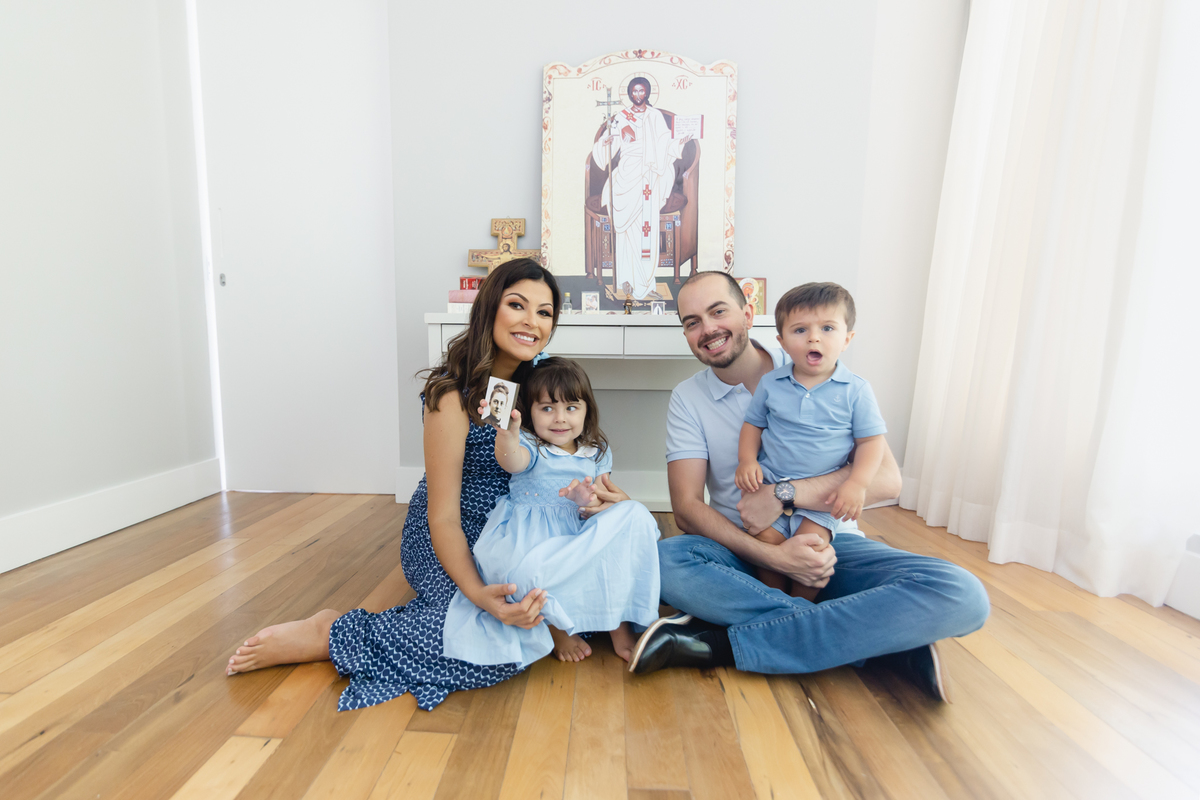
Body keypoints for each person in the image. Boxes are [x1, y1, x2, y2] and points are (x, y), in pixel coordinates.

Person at [620, 270, 990, 701]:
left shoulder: (819, 362)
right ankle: (880, 642)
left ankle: (720, 644)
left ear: (747, 314)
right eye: (692, 322)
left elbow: (887, 479)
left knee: (963, 594)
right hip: (744, 552)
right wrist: (776, 557)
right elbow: (685, 509)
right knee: (664, 560)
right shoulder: (688, 398)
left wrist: (784, 495)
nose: (708, 329)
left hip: (829, 547)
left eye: (718, 312)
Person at [226, 258, 563, 711]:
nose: (531, 321)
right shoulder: (452, 395)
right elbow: (442, 517)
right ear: (490, 309)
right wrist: (478, 594)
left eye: (544, 312)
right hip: (451, 529)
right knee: (484, 642)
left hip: (513, 532)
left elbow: (572, 459)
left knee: (544, 612)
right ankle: (332, 634)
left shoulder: (545, 387)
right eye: (517, 305)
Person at [443, 357, 660, 666]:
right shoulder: (532, 446)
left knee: (635, 513)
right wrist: (507, 433)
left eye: (571, 408)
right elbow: (511, 461)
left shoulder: (596, 452)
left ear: (587, 411)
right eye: (547, 408)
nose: (560, 419)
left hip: (578, 534)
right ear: (530, 412)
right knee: (527, 576)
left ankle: (618, 623)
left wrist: (587, 499)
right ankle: (556, 628)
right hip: (533, 538)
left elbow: (605, 501)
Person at [734, 282, 886, 601]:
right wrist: (747, 460)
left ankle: (802, 607)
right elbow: (753, 425)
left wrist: (857, 483)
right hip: (769, 485)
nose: (814, 338)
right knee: (766, 544)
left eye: (827, 328)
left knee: (812, 552)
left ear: (847, 339)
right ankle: (775, 604)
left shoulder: (856, 390)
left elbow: (872, 443)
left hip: (820, 501)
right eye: (800, 330)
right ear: (782, 342)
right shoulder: (771, 383)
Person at [592, 77, 693, 302]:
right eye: (634, 91)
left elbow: (665, 144)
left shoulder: (655, 116)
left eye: (641, 91)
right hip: (626, 175)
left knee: (647, 232)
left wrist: (680, 141)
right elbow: (610, 142)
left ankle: (646, 286)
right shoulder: (621, 117)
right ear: (630, 93)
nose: (638, 95)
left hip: (648, 177)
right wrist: (607, 142)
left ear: (647, 92)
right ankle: (626, 282)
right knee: (626, 233)